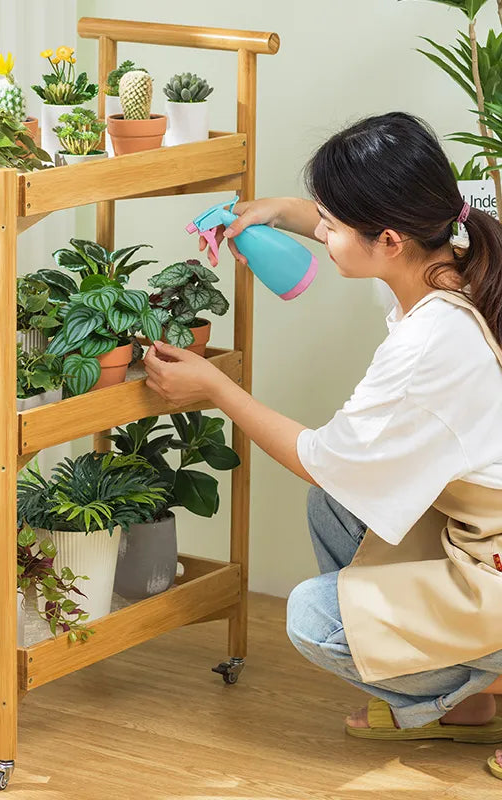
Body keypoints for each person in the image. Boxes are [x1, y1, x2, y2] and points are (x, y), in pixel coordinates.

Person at [143, 112, 502, 777]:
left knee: (313, 614)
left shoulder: (430, 345)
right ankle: (467, 707)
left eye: (332, 225)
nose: (324, 232)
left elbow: (323, 456)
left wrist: (215, 389)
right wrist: (283, 211)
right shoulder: (459, 263)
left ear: (389, 239)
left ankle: (481, 681)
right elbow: (337, 480)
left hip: (493, 559)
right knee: (334, 511)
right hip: (479, 525)